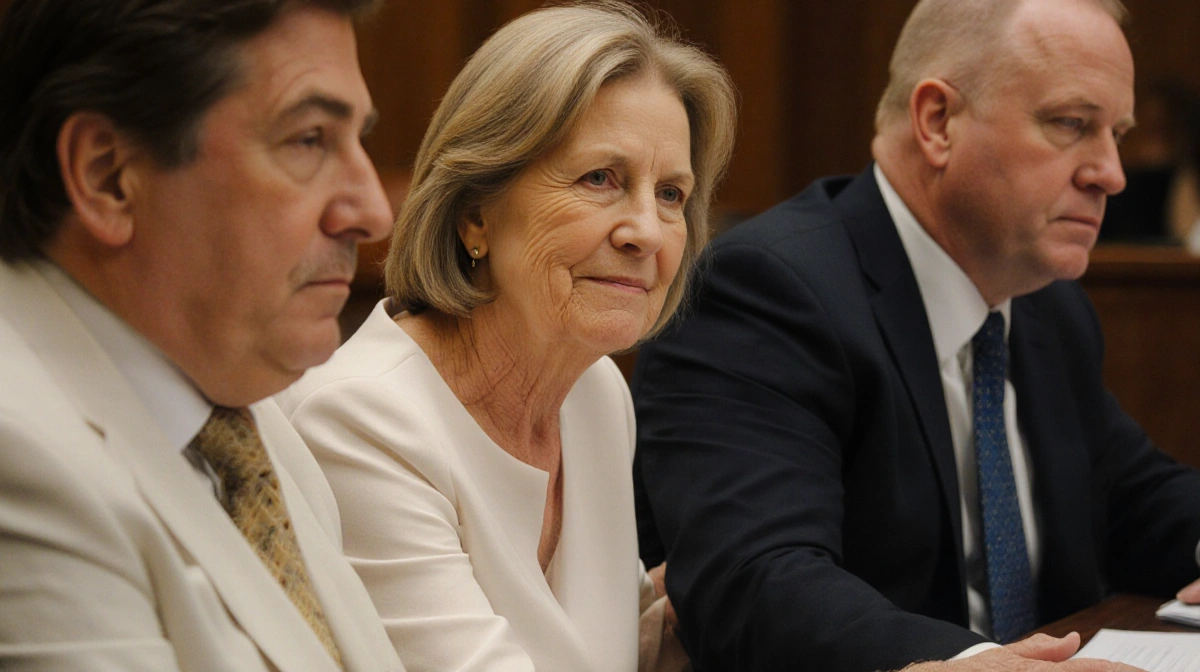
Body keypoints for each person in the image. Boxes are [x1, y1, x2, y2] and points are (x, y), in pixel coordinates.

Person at [631, 0, 1200, 671]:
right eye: (1072, 124)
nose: (1111, 173)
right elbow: (758, 581)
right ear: (937, 121)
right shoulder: (766, 291)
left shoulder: (1048, 307)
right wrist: (981, 665)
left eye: (1117, 134)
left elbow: (1138, 502)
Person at [274, 3, 736, 670]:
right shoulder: (359, 422)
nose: (646, 231)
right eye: (600, 179)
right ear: (474, 214)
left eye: (670, 194)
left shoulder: (594, 392)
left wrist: (740, 583)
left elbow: (596, 644)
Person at [0, 1, 402, 670]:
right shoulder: (21, 456)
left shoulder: (243, 412)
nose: (372, 212)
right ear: (107, 176)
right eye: (309, 140)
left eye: (357, 139)